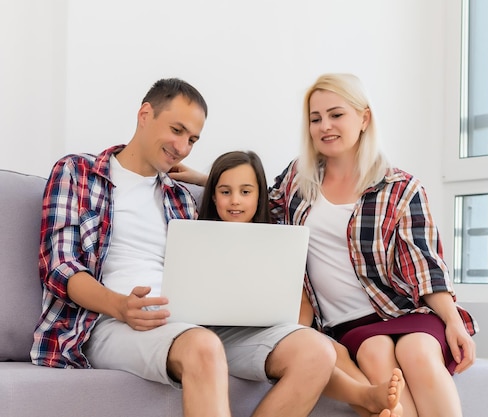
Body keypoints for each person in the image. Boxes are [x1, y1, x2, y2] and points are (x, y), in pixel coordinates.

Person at [30, 78, 337, 417]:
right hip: (109, 322)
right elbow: (59, 267)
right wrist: (119, 306)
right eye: (176, 130)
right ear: (145, 114)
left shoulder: (180, 196)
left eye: (192, 139)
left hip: (190, 323)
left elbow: (257, 207)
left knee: (315, 351)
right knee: (202, 347)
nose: (182, 146)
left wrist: (211, 180)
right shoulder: (77, 172)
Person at [267, 73, 479, 417]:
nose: (325, 126)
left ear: (363, 118)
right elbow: (254, 202)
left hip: (403, 311)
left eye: (336, 115)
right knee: (375, 353)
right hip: (348, 325)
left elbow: (424, 265)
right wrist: (207, 178)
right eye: (315, 118)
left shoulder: (402, 188)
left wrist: (454, 322)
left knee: (418, 353)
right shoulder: (297, 179)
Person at [194, 150, 403, 417]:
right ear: (213, 195)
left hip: (269, 333)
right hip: (218, 336)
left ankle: (372, 403)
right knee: (316, 350)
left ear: (260, 196)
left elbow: (302, 300)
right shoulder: (198, 237)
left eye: (246, 192)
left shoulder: (276, 239)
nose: (235, 201)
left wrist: (295, 331)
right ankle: (367, 397)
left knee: (327, 347)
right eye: (225, 192)